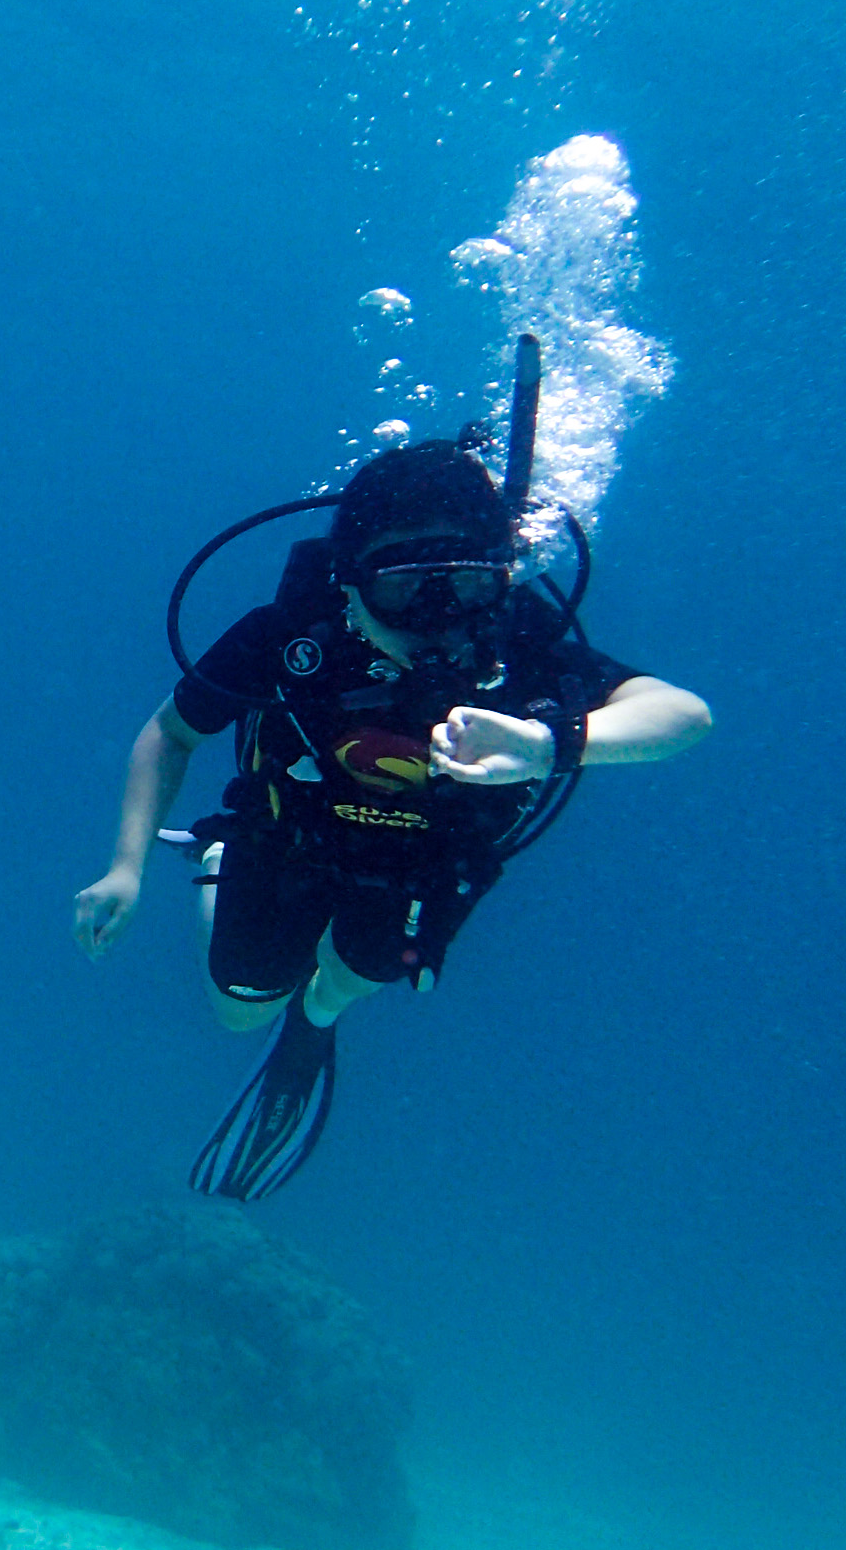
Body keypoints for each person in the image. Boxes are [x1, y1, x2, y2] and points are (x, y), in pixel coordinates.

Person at [72, 438, 709, 1197]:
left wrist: (547, 744)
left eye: (468, 587)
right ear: (347, 585)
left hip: (430, 870)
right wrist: (125, 866)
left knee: (347, 982)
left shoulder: (519, 641)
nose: (439, 623)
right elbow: (171, 733)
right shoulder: (292, 638)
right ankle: (218, 872)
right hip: (289, 841)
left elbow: (681, 714)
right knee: (240, 1013)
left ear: (501, 581)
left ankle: (315, 1025)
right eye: (406, 593)